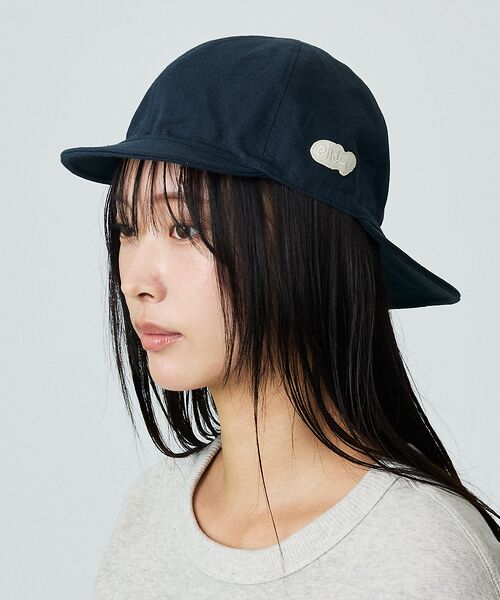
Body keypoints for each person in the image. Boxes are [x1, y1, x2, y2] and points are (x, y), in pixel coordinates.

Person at [60, 35, 500, 599]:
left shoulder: (423, 555)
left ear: (307, 249)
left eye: (185, 228)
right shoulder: (149, 512)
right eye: (127, 227)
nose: (138, 281)